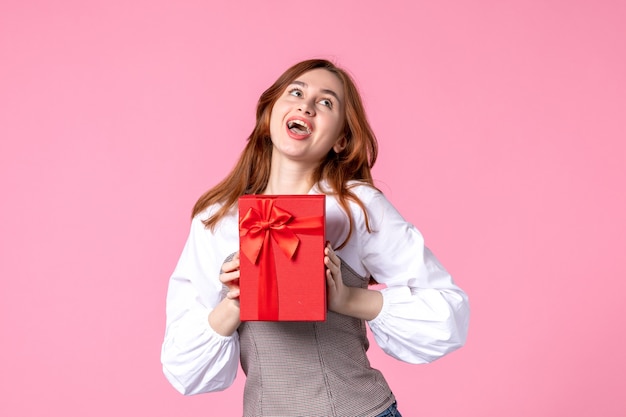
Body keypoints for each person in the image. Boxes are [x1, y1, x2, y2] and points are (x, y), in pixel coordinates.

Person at [161, 58, 470, 417]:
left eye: (326, 102)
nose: (306, 105)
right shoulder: (217, 220)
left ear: (341, 139)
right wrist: (235, 303)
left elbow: (449, 313)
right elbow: (183, 369)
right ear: (269, 115)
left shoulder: (357, 206)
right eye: (296, 92)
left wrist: (346, 298)